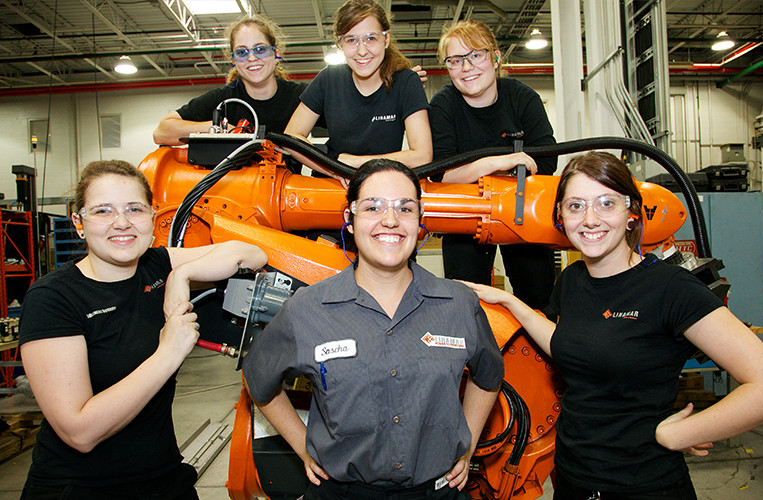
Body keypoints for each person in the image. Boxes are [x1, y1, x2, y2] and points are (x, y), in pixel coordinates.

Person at [463, 151, 763, 500]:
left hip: (643, 484)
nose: (590, 219)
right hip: (571, 479)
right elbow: (570, 345)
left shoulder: (671, 288)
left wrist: (678, 435)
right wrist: (511, 304)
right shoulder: (572, 281)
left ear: (632, 213)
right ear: (560, 216)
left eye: (606, 203)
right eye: (576, 206)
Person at [242, 159, 503, 500]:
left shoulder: (459, 304)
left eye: (405, 208)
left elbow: (489, 374)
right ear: (349, 220)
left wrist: (465, 444)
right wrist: (303, 447)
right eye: (373, 207)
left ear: (419, 221)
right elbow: (259, 379)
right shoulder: (307, 309)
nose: (391, 220)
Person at [18, 160, 268, 499]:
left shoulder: (156, 265)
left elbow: (250, 254)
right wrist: (168, 353)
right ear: (79, 223)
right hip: (81, 487)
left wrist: (182, 276)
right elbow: (80, 431)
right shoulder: (53, 298)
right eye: (103, 211)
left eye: (134, 209)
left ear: (153, 218)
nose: (121, 222)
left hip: (162, 477)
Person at [429, 20, 557, 312]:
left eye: (477, 55)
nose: (467, 67)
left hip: (521, 210)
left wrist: (475, 171)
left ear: (496, 58)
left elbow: (547, 162)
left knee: (538, 294)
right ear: (447, 67)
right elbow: (442, 174)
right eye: (456, 60)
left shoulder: (523, 98)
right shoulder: (443, 106)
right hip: (464, 214)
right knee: (465, 299)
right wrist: (504, 162)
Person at [284, 0, 432, 177]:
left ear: (386, 39)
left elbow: (423, 155)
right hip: (333, 183)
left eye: (371, 38)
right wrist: (333, 170)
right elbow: (291, 137)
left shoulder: (407, 82)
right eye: (351, 40)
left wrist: (355, 164)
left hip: (381, 183)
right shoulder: (329, 78)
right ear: (340, 44)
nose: (362, 51)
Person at [153, 14, 304, 147]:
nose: (252, 58)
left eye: (260, 49)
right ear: (234, 60)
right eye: (241, 52)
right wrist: (219, 128)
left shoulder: (300, 97)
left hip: (289, 179)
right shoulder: (223, 101)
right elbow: (161, 132)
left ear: (275, 54)